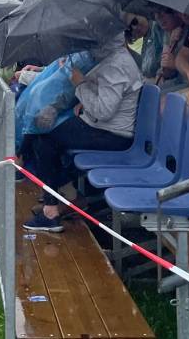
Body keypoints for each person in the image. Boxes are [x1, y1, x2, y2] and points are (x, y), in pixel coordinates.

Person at [22, 33, 142, 233]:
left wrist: (80, 85)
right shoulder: (112, 59)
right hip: (98, 125)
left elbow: (104, 111)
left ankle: (51, 212)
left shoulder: (117, 65)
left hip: (112, 135)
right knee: (42, 136)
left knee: (44, 141)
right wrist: (83, 97)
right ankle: (67, 198)